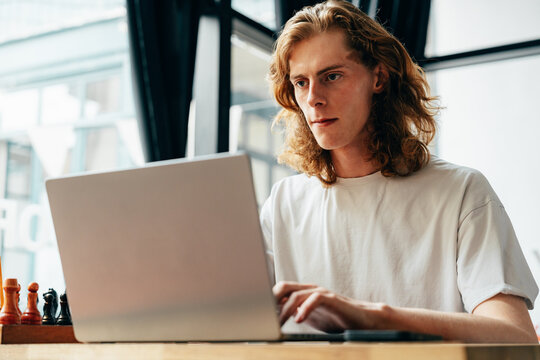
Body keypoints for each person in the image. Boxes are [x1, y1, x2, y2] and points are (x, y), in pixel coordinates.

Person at [260, 0, 538, 343]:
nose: (314, 98)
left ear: (378, 77)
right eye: (301, 82)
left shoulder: (462, 190)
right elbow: (229, 319)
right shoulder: (283, 203)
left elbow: (516, 336)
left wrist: (372, 317)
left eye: (332, 76)